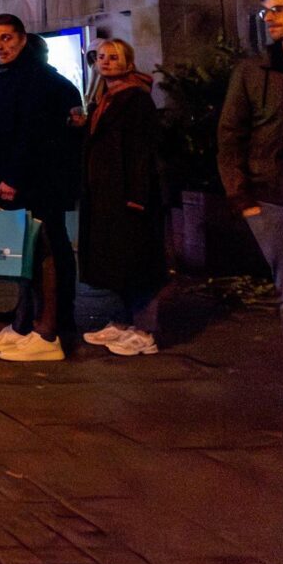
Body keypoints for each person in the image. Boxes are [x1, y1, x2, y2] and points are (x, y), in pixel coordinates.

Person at [218, 0, 283, 432]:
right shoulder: (255, 70)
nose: (270, 18)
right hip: (273, 199)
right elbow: (230, 135)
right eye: (266, 12)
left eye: (279, 10)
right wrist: (242, 198)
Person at [0, 16, 83, 362]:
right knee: (24, 252)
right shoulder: (11, 81)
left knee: (46, 249)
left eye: (6, 38)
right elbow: (7, 126)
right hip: (18, 178)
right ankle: (25, 324)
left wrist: (13, 177)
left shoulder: (40, 82)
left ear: (22, 39)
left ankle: (48, 332)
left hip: (37, 181)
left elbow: (35, 136)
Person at [78, 39, 167, 356]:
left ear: (128, 62)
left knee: (137, 261)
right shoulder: (107, 98)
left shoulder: (136, 100)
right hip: (106, 194)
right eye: (101, 57)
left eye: (114, 57)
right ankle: (123, 321)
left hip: (127, 194)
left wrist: (137, 195)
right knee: (117, 261)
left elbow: (142, 151)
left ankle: (145, 330)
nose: (106, 62)